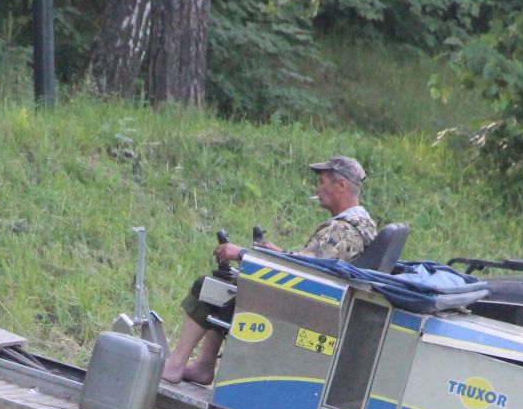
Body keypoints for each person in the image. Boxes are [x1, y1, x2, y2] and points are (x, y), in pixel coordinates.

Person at [161, 155, 378, 385]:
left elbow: (308, 275)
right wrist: (280, 254)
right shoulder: (363, 228)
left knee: (210, 287)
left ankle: (175, 365)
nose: (318, 188)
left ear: (341, 185)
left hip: (301, 310)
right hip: (316, 305)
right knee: (231, 284)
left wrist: (243, 254)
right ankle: (204, 365)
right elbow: (318, 265)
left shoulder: (341, 230)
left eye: (323, 182)